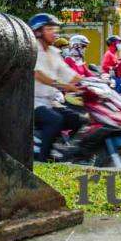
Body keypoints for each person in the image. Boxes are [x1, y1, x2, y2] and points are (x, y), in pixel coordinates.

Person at [29, 13, 84, 162]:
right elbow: (38, 74)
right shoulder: (33, 51)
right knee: (55, 120)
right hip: (34, 102)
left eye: (55, 29)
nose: (55, 32)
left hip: (51, 102)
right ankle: (42, 161)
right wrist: (62, 85)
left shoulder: (54, 52)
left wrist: (89, 82)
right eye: (50, 28)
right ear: (38, 31)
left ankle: (55, 146)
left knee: (77, 119)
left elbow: (68, 73)